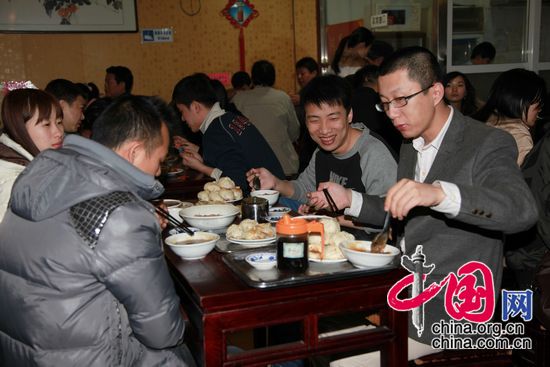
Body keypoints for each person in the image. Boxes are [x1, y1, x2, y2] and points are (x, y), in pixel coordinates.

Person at [308, 46, 538, 366]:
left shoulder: (486, 141)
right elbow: (404, 207)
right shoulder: (410, 144)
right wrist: (351, 199)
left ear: (435, 92)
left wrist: (440, 194)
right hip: (404, 293)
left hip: (453, 311)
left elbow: (521, 210)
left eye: (401, 100)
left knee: (333, 359)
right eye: (385, 103)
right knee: (313, 340)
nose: (392, 114)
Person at [0, 95, 195, 366]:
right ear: (135, 151)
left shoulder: (40, 172)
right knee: (180, 351)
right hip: (81, 357)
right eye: (159, 160)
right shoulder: (120, 213)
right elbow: (162, 332)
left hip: (23, 351)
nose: (159, 171)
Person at [246, 74, 397, 233]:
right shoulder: (322, 151)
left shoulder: (373, 153)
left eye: (333, 118)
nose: (324, 130)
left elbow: (388, 216)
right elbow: (305, 189)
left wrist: (326, 217)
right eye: (314, 120)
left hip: (368, 248)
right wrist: (276, 183)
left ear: (349, 115)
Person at [172, 73, 285, 193]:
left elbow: (236, 182)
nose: (183, 119)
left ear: (196, 107)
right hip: (279, 192)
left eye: (182, 111)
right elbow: (236, 162)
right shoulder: (229, 118)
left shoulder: (215, 131)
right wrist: (201, 157)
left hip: (270, 202)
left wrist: (201, 167)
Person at [0, 88, 64, 221]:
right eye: (46, 124)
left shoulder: (31, 164)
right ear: (19, 128)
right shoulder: (12, 182)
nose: (58, 132)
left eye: (59, 122)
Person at [232, 60, 301, 176]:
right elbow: (294, 132)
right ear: (273, 77)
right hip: (284, 164)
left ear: (252, 78)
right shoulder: (283, 98)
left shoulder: (239, 99)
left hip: (250, 166)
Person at [473, 68, 547, 165]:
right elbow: (522, 177)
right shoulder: (518, 136)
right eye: (538, 103)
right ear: (520, 100)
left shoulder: (477, 122)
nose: (540, 109)